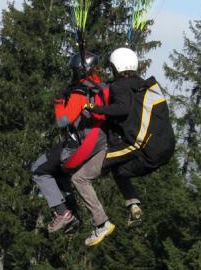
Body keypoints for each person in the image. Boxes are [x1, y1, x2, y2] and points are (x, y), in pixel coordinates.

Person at [30, 51, 116, 247]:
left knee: (38, 169)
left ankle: (63, 212)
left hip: (76, 147)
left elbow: (62, 121)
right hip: (98, 143)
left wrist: (59, 102)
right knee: (59, 174)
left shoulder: (79, 93)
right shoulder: (102, 88)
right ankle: (72, 212)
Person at [86, 47, 175, 227]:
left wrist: (95, 108)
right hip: (165, 148)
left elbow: (122, 108)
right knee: (119, 170)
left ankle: (102, 217)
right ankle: (133, 206)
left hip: (144, 149)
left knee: (98, 165)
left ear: (116, 67)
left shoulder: (119, 86)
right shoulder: (141, 85)